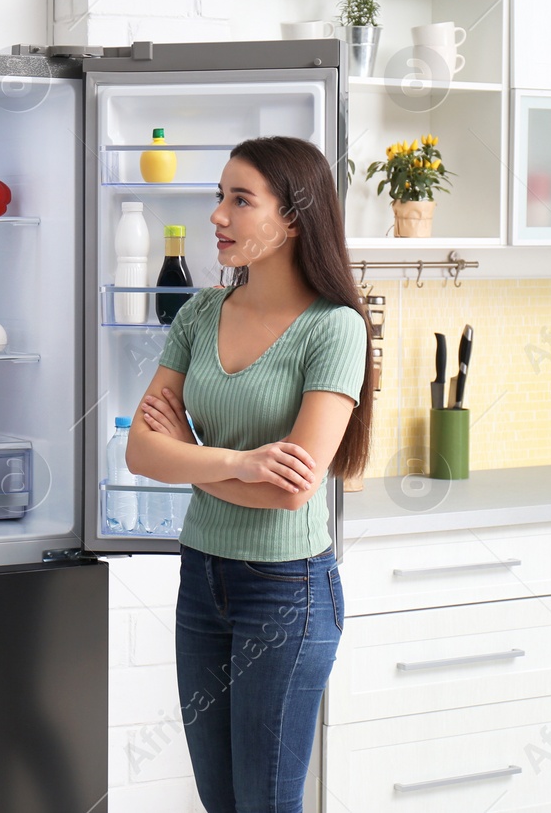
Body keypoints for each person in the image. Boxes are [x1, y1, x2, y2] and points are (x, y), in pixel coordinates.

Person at [128, 136, 373, 813]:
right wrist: (238, 460)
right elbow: (141, 452)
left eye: (241, 200)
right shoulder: (201, 314)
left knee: (264, 805)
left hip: (287, 592)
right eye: (219, 197)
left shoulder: (335, 328)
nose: (218, 215)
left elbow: (290, 487)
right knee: (221, 803)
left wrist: (191, 455)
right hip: (202, 579)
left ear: (293, 218)